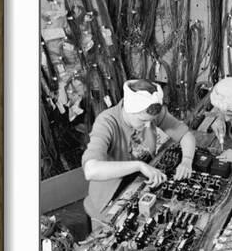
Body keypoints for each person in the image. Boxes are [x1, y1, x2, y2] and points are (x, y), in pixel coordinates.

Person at [81, 79, 196, 226]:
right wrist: (139, 165)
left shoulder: (151, 113)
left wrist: (187, 160)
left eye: (152, 121)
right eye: (143, 120)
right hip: (110, 196)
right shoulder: (106, 122)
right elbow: (91, 170)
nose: (149, 125)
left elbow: (186, 135)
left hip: (142, 183)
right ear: (129, 110)